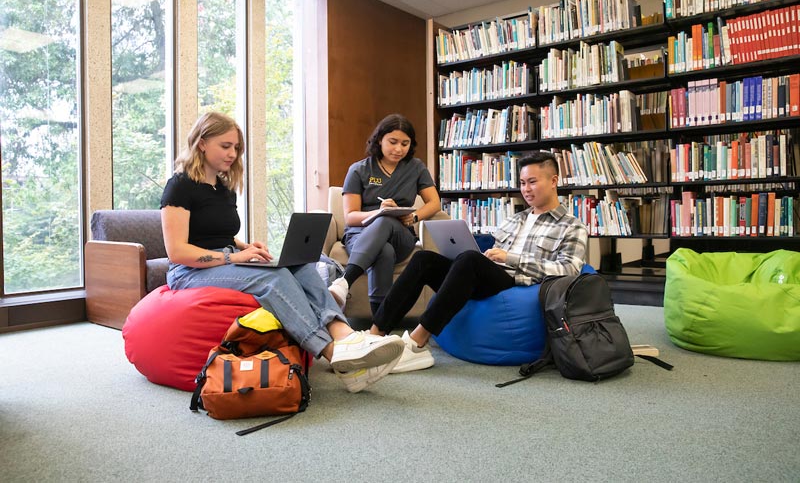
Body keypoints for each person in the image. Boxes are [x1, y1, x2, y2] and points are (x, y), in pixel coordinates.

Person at [160, 111, 405, 393]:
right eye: (225, 146)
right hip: (188, 272)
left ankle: (344, 334)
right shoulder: (180, 186)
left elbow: (218, 235)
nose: (232, 154)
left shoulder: (222, 187)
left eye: (236, 148)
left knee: (300, 265)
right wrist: (232, 257)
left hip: (223, 259)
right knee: (274, 279)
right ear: (202, 143)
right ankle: (332, 353)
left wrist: (246, 247)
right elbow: (177, 251)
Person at [369, 151, 589, 373]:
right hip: (488, 274)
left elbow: (569, 269)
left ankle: (417, 343)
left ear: (553, 181)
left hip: (517, 280)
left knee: (470, 260)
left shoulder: (571, 226)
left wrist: (510, 258)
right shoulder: (514, 219)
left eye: (532, 182)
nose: (526, 189)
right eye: (522, 183)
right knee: (424, 259)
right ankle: (375, 333)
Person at [328, 113, 441, 315]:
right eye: (393, 142)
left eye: (405, 144)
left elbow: (434, 203)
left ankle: (345, 281)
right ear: (380, 139)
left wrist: (414, 217)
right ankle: (380, 326)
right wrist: (377, 213)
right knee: (384, 250)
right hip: (360, 235)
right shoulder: (359, 170)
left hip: (401, 236)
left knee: (387, 220)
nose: (398, 149)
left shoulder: (416, 168)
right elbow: (351, 216)